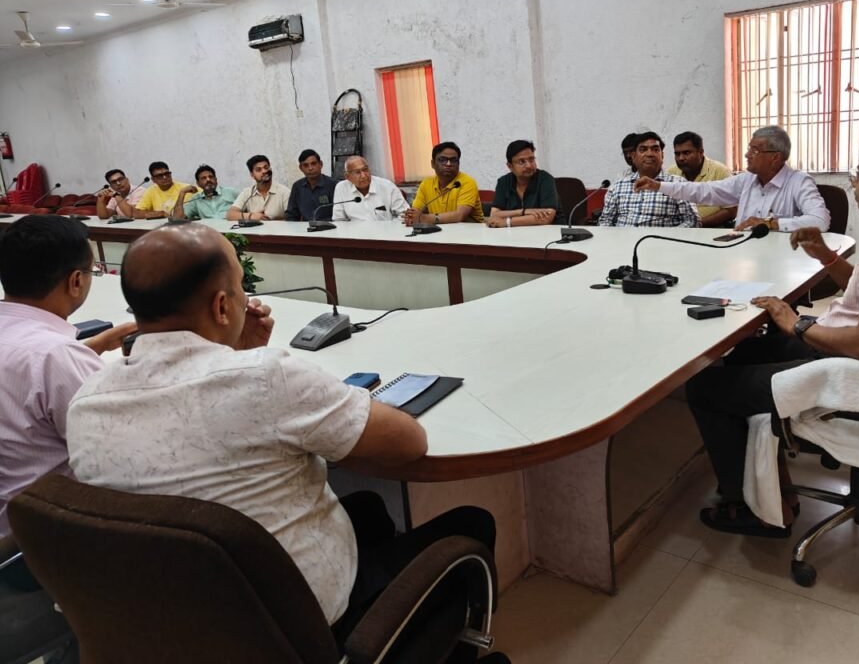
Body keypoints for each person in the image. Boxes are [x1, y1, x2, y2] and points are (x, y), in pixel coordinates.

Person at [65, 222, 495, 649]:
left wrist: (235, 355)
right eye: (240, 287)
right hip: (291, 628)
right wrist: (259, 364)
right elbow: (408, 442)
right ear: (221, 307)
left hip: (176, 622)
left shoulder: (88, 400)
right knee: (471, 524)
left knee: (368, 509)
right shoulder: (267, 378)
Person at [686, 123, 859, 537]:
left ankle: (752, 509)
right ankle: (771, 480)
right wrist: (826, 257)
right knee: (746, 351)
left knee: (705, 387)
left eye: (858, 175)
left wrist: (797, 323)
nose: (853, 183)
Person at [0, 216, 135, 536]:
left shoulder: (49, 355)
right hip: (35, 539)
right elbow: (125, 449)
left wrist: (91, 348)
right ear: (76, 281)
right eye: (92, 272)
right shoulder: (56, 357)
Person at [634, 126, 830, 232]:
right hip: (741, 253)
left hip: (781, 261)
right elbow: (704, 191)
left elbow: (820, 220)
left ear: (775, 157)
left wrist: (771, 223)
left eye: (754, 151)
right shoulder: (747, 180)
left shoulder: (798, 182)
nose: (747, 155)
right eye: (749, 149)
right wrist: (658, 185)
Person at [599, 131, 699, 228]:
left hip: (662, 239)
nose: (650, 154)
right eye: (643, 149)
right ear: (633, 156)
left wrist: (666, 238)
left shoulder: (678, 184)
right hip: (624, 239)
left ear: (662, 156)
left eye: (655, 149)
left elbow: (692, 221)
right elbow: (605, 221)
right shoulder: (617, 187)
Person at [665, 132, 737, 228]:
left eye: (686, 153)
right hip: (678, 230)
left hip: (712, 230)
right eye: (677, 154)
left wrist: (697, 224)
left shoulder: (719, 171)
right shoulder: (671, 172)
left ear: (701, 152)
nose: (681, 158)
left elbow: (731, 210)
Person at [403, 142, 484, 226]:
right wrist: (411, 217)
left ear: (458, 163)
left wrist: (424, 218)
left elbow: (460, 215)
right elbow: (416, 211)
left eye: (453, 160)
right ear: (433, 164)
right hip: (439, 231)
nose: (448, 164)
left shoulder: (467, 182)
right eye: (442, 160)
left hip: (470, 232)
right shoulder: (426, 184)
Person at [486, 140, 560, 228]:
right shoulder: (503, 182)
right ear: (510, 166)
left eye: (531, 159)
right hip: (514, 233)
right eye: (522, 162)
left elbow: (547, 217)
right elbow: (494, 214)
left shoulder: (545, 179)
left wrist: (507, 222)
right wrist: (523, 211)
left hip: (549, 232)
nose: (529, 165)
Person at [332, 156, 409, 222]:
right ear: (347, 176)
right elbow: (339, 220)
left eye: (365, 170)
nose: (363, 176)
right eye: (357, 172)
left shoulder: (387, 186)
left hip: (385, 232)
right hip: (355, 233)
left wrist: (389, 228)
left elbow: (405, 214)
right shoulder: (341, 188)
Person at [227, 155, 289, 221]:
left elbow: (292, 218)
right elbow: (230, 214)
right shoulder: (247, 193)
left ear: (270, 169)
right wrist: (251, 216)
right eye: (258, 170)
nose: (264, 171)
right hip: (255, 228)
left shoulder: (284, 192)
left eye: (266, 167)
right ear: (252, 175)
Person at [285, 149, 340, 222]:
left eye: (313, 164)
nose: (310, 168)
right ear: (301, 168)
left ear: (320, 164)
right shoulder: (297, 187)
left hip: (330, 227)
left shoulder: (334, 185)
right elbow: (291, 215)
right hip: (304, 228)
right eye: (306, 165)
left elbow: (340, 215)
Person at [171, 164, 239, 220]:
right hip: (208, 231)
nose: (208, 179)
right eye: (204, 178)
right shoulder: (196, 200)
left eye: (211, 177)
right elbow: (177, 219)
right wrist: (182, 193)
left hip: (232, 231)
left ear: (216, 180)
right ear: (198, 183)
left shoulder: (231, 192)